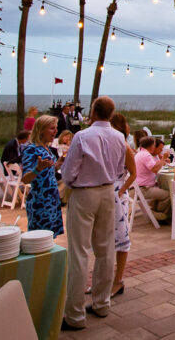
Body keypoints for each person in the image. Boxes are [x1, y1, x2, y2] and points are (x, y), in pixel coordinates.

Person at [60, 96, 126, 331]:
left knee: (78, 252)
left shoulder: (82, 136)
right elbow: (120, 169)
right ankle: (101, 303)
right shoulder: (119, 137)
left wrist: (76, 181)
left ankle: (75, 315)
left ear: (93, 112)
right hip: (108, 192)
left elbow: (68, 173)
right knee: (106, 248)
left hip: (85, 193)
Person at [107, 113, 137, 299]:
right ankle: (104, 279)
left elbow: (133, 174)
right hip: (104, 193)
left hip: (118, 195)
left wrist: (121, 190)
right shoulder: (108, 145)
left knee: (120, 238)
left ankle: (118, 280)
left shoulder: (124, 146)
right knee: (105, 240)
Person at [21, 116, 65, 236]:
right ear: (40, 130)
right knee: (40, 239)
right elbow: (25, 179)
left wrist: (57, 165)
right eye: (52, 128)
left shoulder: (47, 148)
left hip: (52, 199)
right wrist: (37, 169)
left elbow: (47, 171)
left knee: (50, 238)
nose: (56, 131)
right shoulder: (31, 149)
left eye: (56, 128)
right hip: (40, 202)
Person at [134, 136, 172, 219]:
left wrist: (162, 160)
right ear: (151, 145)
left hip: (139, 187)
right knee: (168, 195)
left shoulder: (141, 153)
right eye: (154, 145)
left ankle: (155, 213)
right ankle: (158, 215)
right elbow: (155, 169)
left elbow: (154, 166)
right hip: (143, 189)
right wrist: (164, 158)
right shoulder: (146, 155)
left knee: (161, 188)